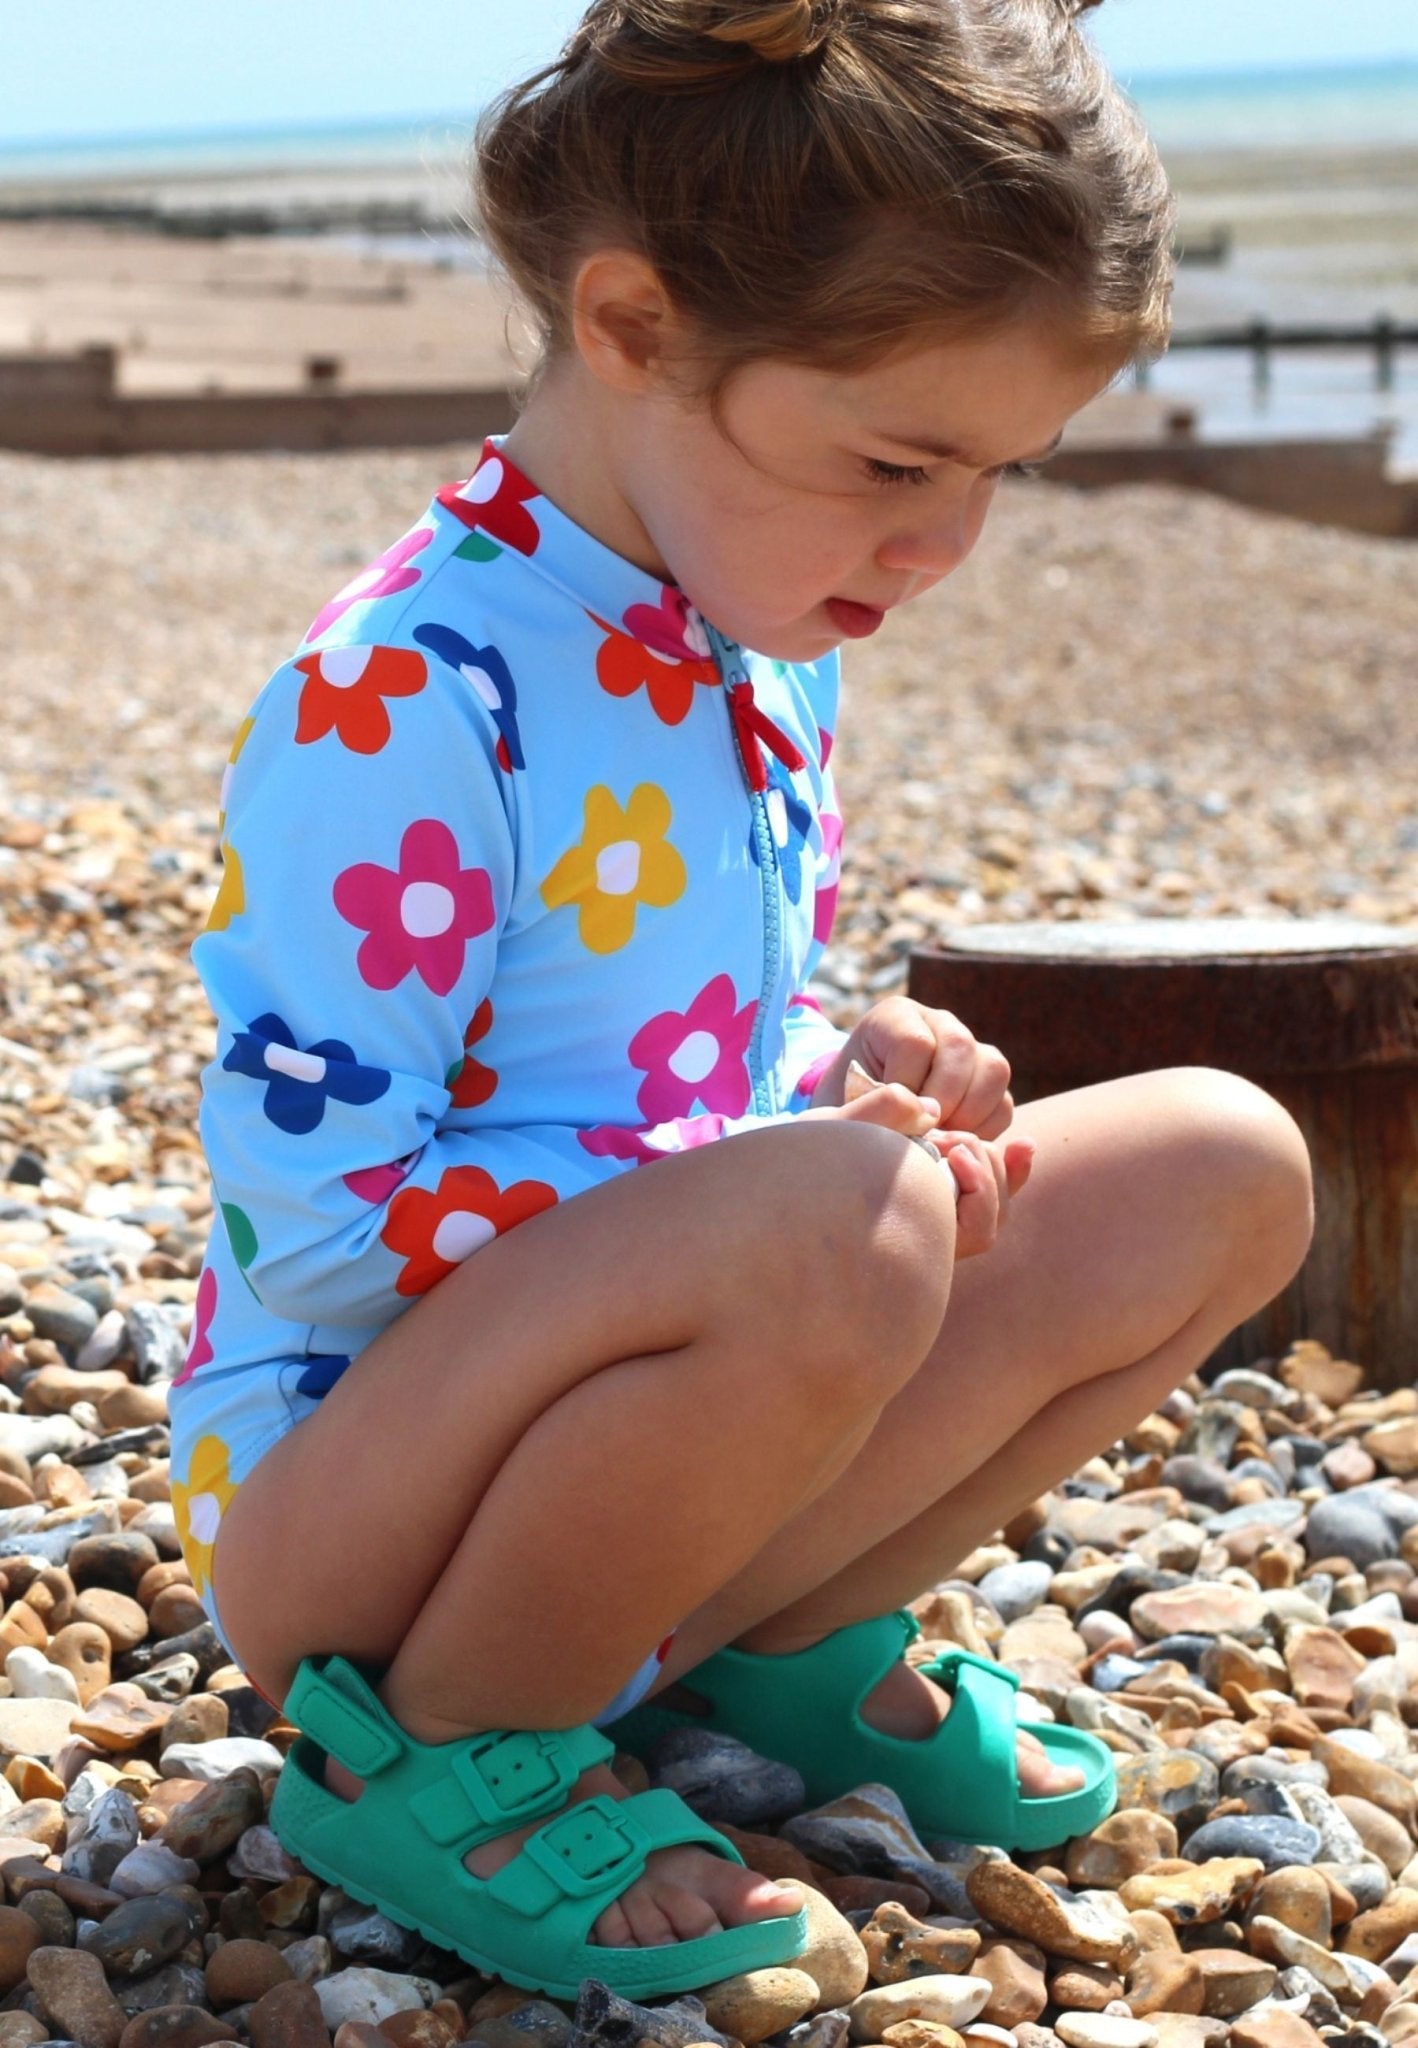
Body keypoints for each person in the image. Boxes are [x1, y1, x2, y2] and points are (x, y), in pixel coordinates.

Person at [169, 0, 1315, 2002]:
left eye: (1002, 472)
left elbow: (657, 1055)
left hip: (660, 1405)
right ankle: (445, 1742)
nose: (941, 542)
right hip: (356, 1512)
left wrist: (836, 1075)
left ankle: (764, 1639)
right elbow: (326, 1222)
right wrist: (779, 1194)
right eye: (892, 460)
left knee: (1224, 1168)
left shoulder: (758, 636)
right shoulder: (408, 696)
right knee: (838, 1226)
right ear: (632, 324)